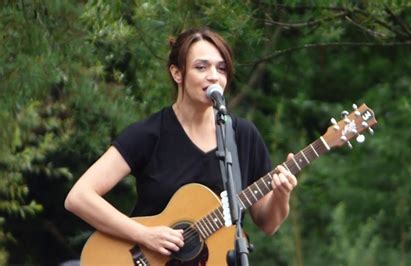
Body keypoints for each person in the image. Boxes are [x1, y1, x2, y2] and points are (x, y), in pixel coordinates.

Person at [64, 27, 297, 262]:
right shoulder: (149, 134)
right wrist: (145, 235)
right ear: (177, 73)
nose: (214, 76)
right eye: (201, 67)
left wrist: (281, 194)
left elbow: (268, 224)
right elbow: (79, 197)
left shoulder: (243, 136)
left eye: (221, 68)